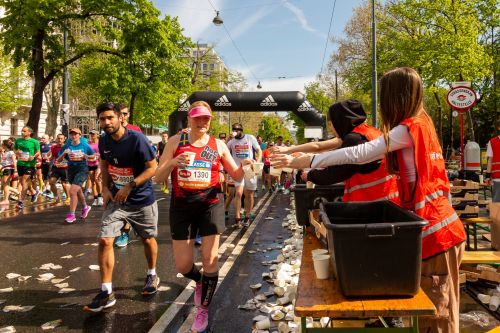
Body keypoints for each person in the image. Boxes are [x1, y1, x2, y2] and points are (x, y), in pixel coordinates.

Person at [272, 67, 466, 333]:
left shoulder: (407, 129)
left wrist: (303, 162)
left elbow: (359, 154)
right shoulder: (421, 125)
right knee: (434, 315)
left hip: (436, 233)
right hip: (438, 228)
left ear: (394, 98)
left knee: (437, 318)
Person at [155, 101, 251, 333]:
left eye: (206, 118)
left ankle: (203, 310)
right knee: (183, 265)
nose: (201, 122)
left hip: (210, 204)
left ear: (210, 120)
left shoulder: (217, 145)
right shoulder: (176, 142)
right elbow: (157, 177)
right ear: (189, 119)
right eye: (197, 117)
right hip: (182, 206)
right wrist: (173, 163)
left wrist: (246, 165)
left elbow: (236, 175)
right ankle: (199, 280)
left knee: (210, 260)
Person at [83, 102, 159, 312]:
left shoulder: (137, 139)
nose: (106, 122)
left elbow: (153, 168)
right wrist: (106, 188)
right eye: (102, 119)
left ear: (120, 118)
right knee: (105, 240)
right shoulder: (105, 139)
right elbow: (105, 164)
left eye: (110, 118)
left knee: (147, 238)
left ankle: (152, 274)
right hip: (117, 199)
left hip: (142, 199)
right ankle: (106, 292)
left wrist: (130, 185)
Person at [271, 100, 400, 204]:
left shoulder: (355, 139)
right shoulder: (368, 132)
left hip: (372, 204)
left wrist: (309, 175)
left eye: (332, 123)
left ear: (341, 121)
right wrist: (290, 150)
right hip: (389, 198)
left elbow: (335, 173)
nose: (332, 129)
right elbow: (319, 146)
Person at [226, 123, 262, 227]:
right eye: (234, 129)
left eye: (237, 129)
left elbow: (259, 151)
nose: (235, 131)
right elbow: (224, 151)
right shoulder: (231, 141)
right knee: (238, 193)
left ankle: (247, 216)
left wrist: (257, 163)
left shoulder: (250, 138)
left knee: (249, 194)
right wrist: (229, 138)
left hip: (249, 168)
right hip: (237, 169)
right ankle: (237, 219)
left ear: (242, 130)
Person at [56, 128, 95, 223]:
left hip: (82, 169)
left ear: (79, 135)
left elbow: (93, 156)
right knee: (78, 190)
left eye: (76, 134)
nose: (74, 136)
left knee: (72, 191)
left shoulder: (84, 145)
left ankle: (72, 215)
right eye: (72, 134)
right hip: (71, 170)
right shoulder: (67, 146)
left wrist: (86, 156)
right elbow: (59, 160)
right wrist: (64, 154)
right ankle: (85, 207)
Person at [14, 126, 40, 209]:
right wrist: (17, 152)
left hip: (29, 164)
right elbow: (15, 150)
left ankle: (21, 202)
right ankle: (33, 192)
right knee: (22, 182)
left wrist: (33, 156)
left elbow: (38, 152)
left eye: (24, 131)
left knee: (24, 182)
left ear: (29, 132)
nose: (22, 132)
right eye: (22, 131)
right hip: (20, 163)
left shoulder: (34, 141)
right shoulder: (18, 140)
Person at [47, 133, 70, 205]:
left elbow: (71, 158)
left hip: (65, 168)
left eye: (61, 139)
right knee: (51, 182)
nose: (59, 140)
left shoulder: (67, 147)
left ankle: (68, 198)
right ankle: (57, 198)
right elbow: (53, 157)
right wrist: (48, 159)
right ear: (56, 139)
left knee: (64, 184)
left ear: (64, 139)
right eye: (58, 138)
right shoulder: (53, 147)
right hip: (56, 167)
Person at [86, 130, 103, 206]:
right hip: (90, 164)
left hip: (98, 164)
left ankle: (100, 197)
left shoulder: (100, 143)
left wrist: (96, 156)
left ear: (97, 135)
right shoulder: (88, 143)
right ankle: (95, 198)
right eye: (91, 134)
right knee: (92, 181)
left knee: (98, 180)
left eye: (93, 134)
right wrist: (87, 156)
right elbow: (85, 152)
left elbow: (102, 154)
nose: (92, 136)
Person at [485, 118, 500, 202]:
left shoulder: (492, 142)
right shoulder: (492, 142)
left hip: (497, 177)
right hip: (497, 178)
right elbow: (490, 160)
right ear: (499, 127)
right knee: (497, 203)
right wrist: (487, 176)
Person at [0, 139, 18, 205]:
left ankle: (7, 199)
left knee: (5, 184)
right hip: (5, 169)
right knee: (4, 184)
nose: (1, 145)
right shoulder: (6, 152)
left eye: (2, 144)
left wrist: (15, 171)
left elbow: (14, 161)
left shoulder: (11, 152)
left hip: (9, 169)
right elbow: (4, 162)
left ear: (5, 145)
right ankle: (14, 193)